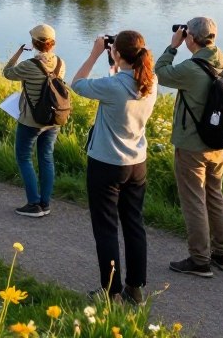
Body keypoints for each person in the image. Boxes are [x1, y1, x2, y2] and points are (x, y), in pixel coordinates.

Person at [70, 31, 157, 305]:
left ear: (117, 53)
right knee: (134, 225)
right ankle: (135, 288)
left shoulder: (112, 86)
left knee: (106, 228)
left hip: (107, 164)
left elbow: (77, 84)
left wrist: (95, 53)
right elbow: (125, 79)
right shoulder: (150, 81)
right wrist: (116, 62)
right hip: (136, 163)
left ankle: (111, 292)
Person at [155, 16, 223, 278]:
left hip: (192, 145)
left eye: (186, 33)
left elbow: (160, 72)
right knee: (216, 195)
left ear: (190, 37)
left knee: (194, 201)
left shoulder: (191, 68)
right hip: (218, 142)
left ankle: (200, 259)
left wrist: (173, 47)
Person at [3, 23, 65, 217]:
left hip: (31, 121)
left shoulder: (29, 65)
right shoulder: (60, 63)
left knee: (24, 157)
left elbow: (7, 72)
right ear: (53, 43)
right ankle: (45, 203)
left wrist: (18, 53)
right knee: (46, 157)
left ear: (34, 43)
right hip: (53, 119)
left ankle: (33, 204)